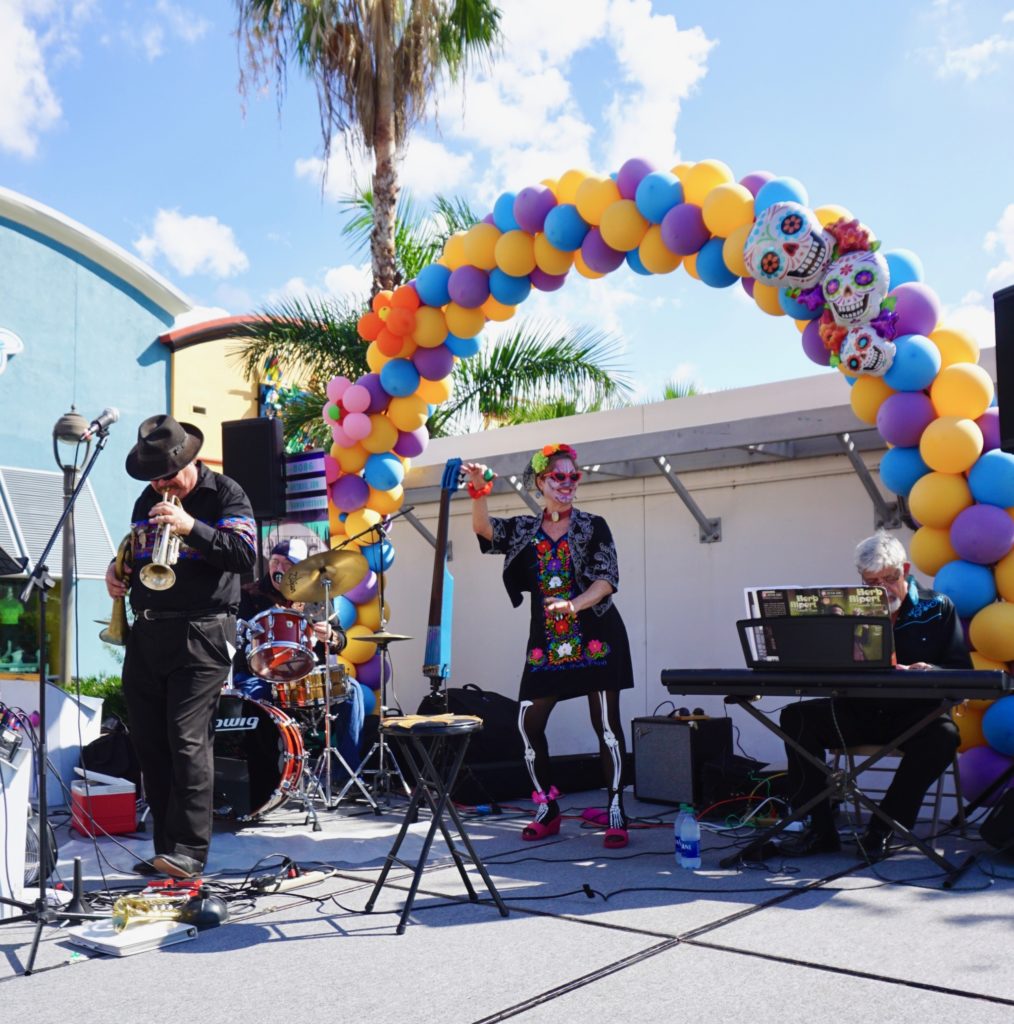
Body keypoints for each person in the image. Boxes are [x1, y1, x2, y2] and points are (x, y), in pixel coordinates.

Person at [106, 414, 256, 879]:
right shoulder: (145, 499)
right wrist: (119, 574)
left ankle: (190, 852)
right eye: (153, 478)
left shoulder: (225, 493)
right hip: (149, 632)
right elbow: (140, 556)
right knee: (151, 743)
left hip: (204, 632)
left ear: (189, 461)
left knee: (187, 740)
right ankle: (165, 851)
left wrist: (191, 525)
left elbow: (245, 555)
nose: (160, 485)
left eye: (167, 476)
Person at [465, 443, 635, 848]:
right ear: (540, 480)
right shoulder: (525, 528)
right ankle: (547, 806)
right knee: (527, 724)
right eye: (558, 476)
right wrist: (479, 495)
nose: (567, 484)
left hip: (596, 635)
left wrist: (573, 605)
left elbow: (606, 579)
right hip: (546, 642)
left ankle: (615, 808)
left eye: (573, 476)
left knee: (607, 726)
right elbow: (486, 531)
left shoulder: (594, 525)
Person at [778, 531, 970, 859]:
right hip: (859, 710)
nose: (882, 589)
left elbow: (961, 673)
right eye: (872, 583)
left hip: (914, 715)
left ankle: (882, 826)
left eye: (890, 578)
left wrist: (931, 672)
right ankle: (819, 826)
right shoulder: (845, 609)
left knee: (944, 736)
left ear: (905, 569)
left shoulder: (938, 607)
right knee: (795, 718)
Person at [233, 537, 364, 782]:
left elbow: (341, 640)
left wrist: (332, 636)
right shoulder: (250, 594)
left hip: (306, 677)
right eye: (274, 561)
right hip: (260, 675)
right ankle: (267, 777)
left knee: (351, 691)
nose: (278, 568)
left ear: (301, 568)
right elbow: (238, 641)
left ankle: (347, 775)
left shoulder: (319, 595)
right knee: (253, 698)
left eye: (287, 563)